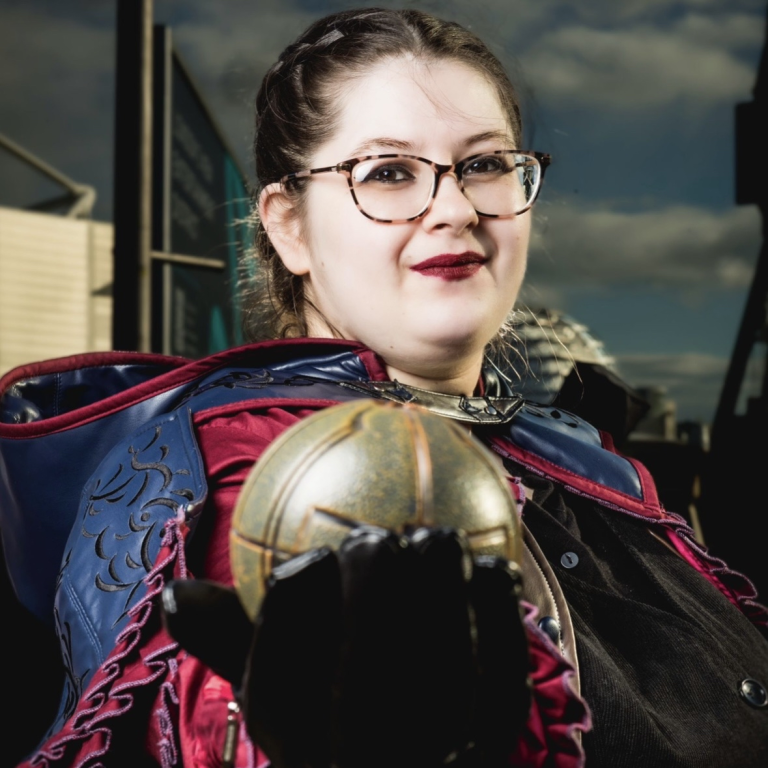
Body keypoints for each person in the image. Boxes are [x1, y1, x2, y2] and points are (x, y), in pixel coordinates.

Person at [1, 7, 767, 768]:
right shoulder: (254, 469)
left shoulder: (580, 459)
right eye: (389, 173)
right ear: (289, 226)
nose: (456, 210)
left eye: (485, 165)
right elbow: (215, 722)